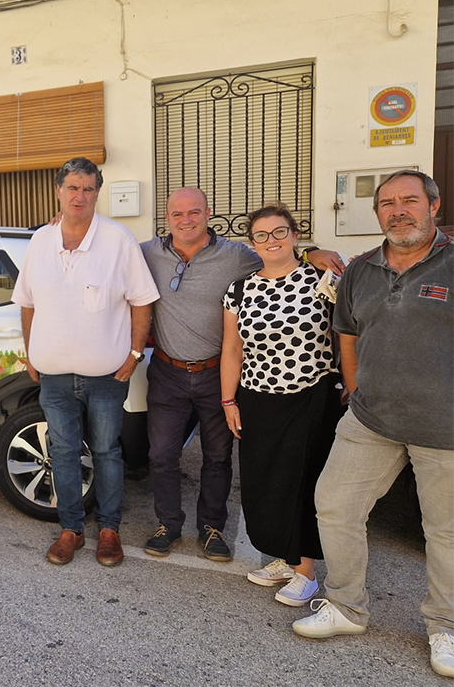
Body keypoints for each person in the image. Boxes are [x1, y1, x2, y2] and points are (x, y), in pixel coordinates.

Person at [291, 171, 454, 679]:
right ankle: (346, 607)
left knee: (445, 531)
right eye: (387, 203)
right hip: (371, 418)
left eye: (409, 200)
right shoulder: (361, 269)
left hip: (446, 427)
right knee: (335, 505)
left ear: (434, 205)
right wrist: (356, 389)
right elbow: (347, 335)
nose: (398, 211)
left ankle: (444, 626)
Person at [139, 188, 345, 562]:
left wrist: (312, 252)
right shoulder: (147, 253)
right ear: (166, 218)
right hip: (167, 372)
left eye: (194, 212)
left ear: (209, 213)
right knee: (161, 455)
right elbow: (108, 254)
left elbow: (280, 253)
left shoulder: (237, 256)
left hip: (216, 370)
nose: (186, 220)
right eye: (177, 214)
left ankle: (212, 528)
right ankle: (167, 524)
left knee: (217, 456)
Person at [12, 157, 159, 567]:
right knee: (62, 452)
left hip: (107, 375)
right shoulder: (41, 240)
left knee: (108, 452)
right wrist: (31, 351)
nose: (80, 196)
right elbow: (26, 303)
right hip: (54, 376)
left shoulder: (118, 239)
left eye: (89, 188)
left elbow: (141, 300)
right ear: (59, 191)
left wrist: (133, 353)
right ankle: (71, 529)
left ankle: (109, 529)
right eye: (73, 188)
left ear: (98, 192)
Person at [220, 204, 344, 607]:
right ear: (251, 242)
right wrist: (228, 400)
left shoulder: (323, 279)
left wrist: (350, 382)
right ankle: (283, 558)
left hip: (310, 395)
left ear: (295, 235)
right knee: (265, 482)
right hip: (257, 397)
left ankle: (306, 570)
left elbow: (347, 333)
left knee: (303, 481)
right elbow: (232, 350)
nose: (271, 241)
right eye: (262, 235)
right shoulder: (239, 289)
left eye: (279, 232)